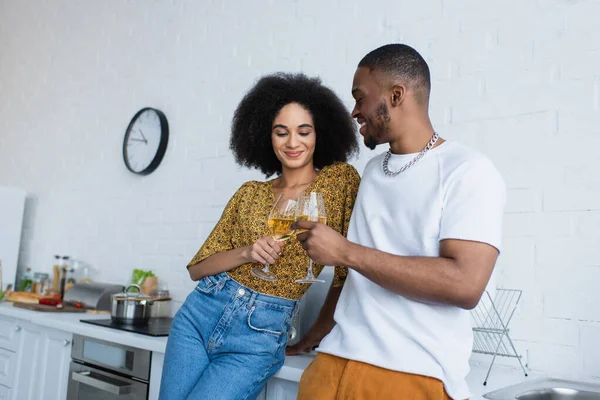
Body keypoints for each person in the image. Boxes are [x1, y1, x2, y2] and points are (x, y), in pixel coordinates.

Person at [294, 44, 506, 400]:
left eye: (360, 98)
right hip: (331, 366)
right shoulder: (374, 171)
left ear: (396, 95)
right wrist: (317, 332)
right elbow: (358, 277)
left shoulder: (468, 171)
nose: (354, 111)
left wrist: (344, 252)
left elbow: (466, 285)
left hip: (409, 375)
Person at [159, 72, 360, 400]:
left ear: (319, 133)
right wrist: (247, 252)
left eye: (303, 131)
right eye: (281, 133)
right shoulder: (250, 193)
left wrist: (315, 334)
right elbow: (198, 269)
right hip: (200, 313)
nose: (292, 143)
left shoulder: (339, 182)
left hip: (258, 334)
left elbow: (344, 272)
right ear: (267, 137)